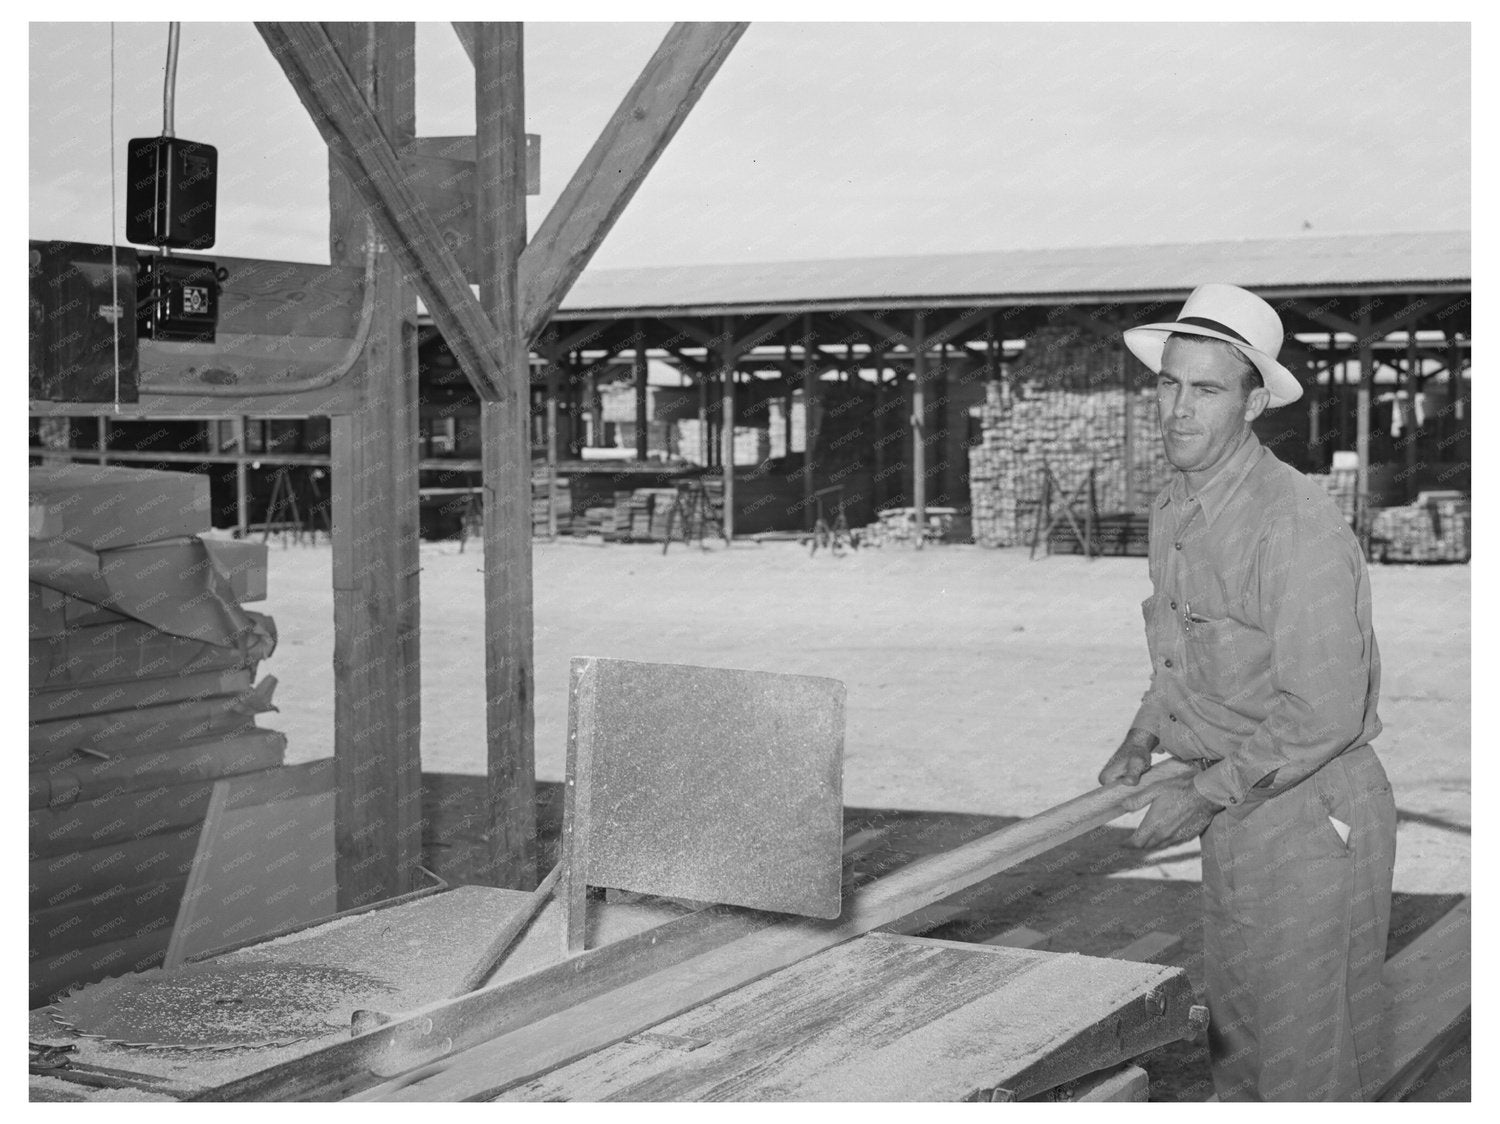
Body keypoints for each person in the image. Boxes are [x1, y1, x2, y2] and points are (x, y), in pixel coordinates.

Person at [1096, 283, 1397, 1101]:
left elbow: (1324, 711)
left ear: (1254, 401)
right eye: (1167, 383)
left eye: (1207, 389)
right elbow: (1186, 652)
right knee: (1238, 1042)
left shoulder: (1291, 523)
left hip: (1309, 811)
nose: (1177, 410)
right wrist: (1142, 735)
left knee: (1308, 1065)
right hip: (1239, 807)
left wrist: (1203, 796)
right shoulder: (1176, 506)